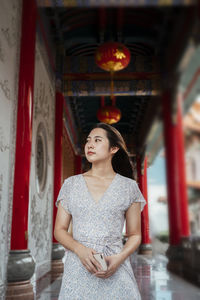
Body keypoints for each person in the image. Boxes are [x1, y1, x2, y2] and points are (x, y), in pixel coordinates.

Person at [54, 123, 146, 300]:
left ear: (113, 148)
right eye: (88, 140)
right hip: (78, 267)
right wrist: (79, 250)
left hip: (115, 265)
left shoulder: (129, 187)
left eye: (97, 140)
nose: (90, 145)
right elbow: (59, 230)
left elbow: (135, 234)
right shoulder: (71, 185)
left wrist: (120, 258)